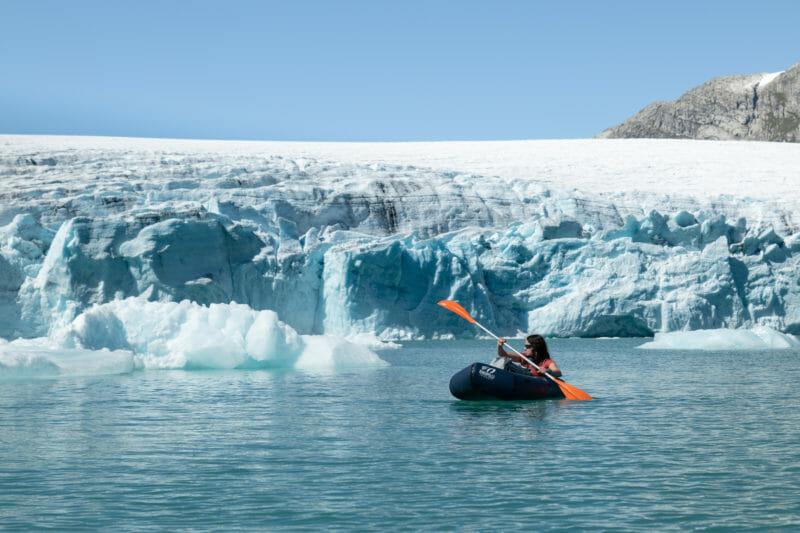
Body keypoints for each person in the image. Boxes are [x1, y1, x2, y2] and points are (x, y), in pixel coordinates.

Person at [496, 334, 562, 378]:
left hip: (533, 383)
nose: (525, 348)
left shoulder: (546, 362)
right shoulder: (524, 357)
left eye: (527, 346)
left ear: (535, 347)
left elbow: (558, 373)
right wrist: (500, 345)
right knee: (502, 360)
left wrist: (547, 370)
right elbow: (503, 354)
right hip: (520, 378)